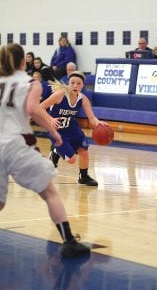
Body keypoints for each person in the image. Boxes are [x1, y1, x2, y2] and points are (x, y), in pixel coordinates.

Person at [0, 43, 90, 258]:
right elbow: (32, 109)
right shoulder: (32, 83)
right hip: (15, 144)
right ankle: (69, 242)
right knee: (49, 192)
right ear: (24, 61)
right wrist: (54, 130)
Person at [40, 71, 107, 186]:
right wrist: (50, 119)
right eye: (72, 83)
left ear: (83, 85)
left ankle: (83, 177)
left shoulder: (83, 99)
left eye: (78, 83)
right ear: (68, 84)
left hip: (72, 129)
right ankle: (55, 151)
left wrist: (98, 123)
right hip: (56, 130)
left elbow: (92, 118)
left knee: (84, 152)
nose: (75, 86)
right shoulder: (60, 95)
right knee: (71, 160)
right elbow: (40, 107)